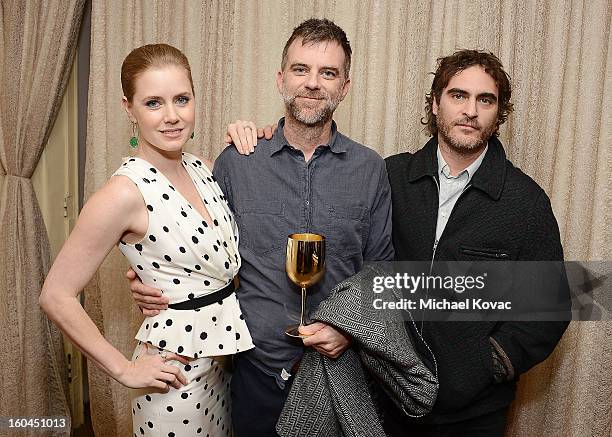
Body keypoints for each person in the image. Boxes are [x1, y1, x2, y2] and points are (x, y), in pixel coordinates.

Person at [129, 19, 395, 436]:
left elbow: (379, 270)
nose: (312, 83)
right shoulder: (238, 161)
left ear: (345, 86)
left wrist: (349, 331)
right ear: (281, 78)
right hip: (255, 372)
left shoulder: (370, 169)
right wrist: (147, 277)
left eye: (328, 73)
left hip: (339, 374)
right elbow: (195, 249)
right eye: (300, 69)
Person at [40, 43, 253, 437]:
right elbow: (55, 295)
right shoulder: (123, 193)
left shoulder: (204, 167)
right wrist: (123, 369)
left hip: (224, 365)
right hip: (173, 377)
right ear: (129, 109)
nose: (172, 116)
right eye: (153, 103)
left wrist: (263, 134)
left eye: (181, 99)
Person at [380, 49, 569, 436]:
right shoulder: (391, 177)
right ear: (435, 104)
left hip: (472, 417)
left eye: (485, 100)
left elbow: (550, 307)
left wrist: (489, 364)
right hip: (383, 400)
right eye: (458, 95)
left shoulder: (525, 202)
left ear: (498, 113)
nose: (471, 110)